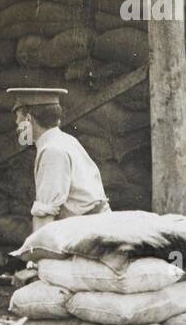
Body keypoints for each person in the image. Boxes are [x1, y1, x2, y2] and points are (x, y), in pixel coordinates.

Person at [7, 87, 110, 233]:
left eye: (18, 116)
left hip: (89, 232)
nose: (17, 123)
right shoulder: (64, 140)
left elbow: (44, 215)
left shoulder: (52, 151)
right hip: (94, 226)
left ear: (29, 119)